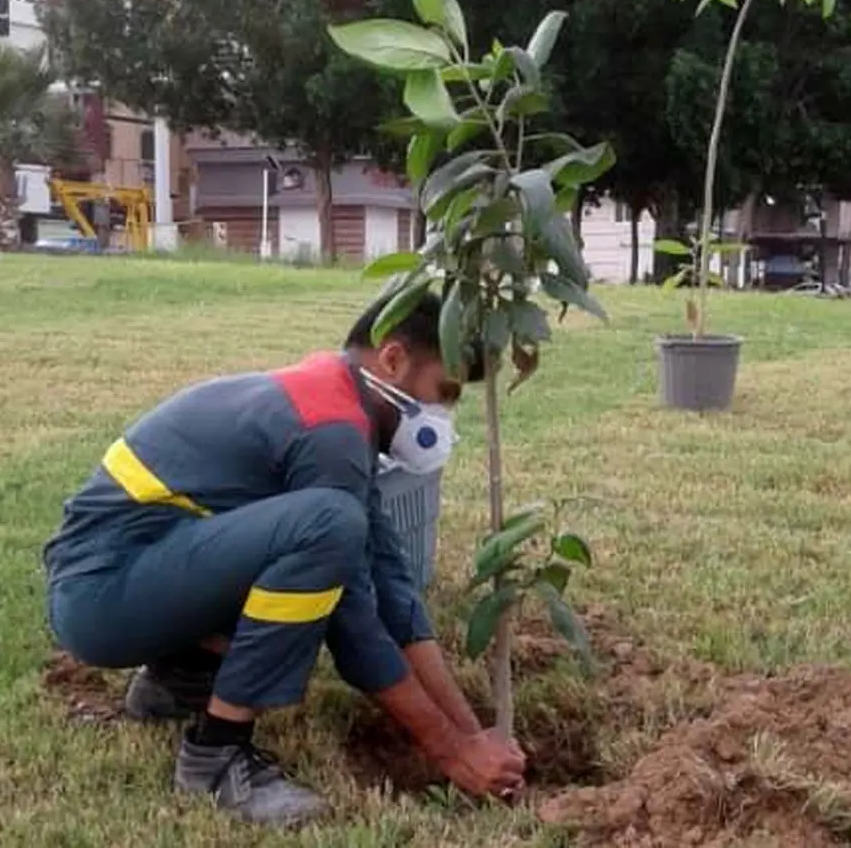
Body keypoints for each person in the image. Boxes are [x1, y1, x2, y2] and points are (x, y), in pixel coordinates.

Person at [41, 292, 526, 828]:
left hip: (133, 580)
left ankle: (177, 681)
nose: (443, 415)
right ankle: (215, 757)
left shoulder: (339, 403)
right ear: (392, 360)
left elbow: (389, 580)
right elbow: (356, 625)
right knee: (328, 528)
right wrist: (451, 753)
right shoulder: (331, 429)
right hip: (104, 599)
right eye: (445, 392)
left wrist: (471, 730)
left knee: (334, 528)